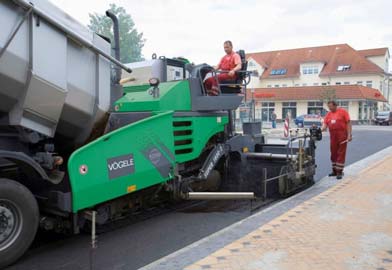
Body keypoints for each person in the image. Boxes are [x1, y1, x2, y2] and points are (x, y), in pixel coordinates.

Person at [321, 101, 352, 179]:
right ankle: (334, 171)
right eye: (329, 107)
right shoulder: (328, 114)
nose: (330, 108)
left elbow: (348, 123)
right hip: (333, 136)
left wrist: (349, 135)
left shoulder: (343, 112)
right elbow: (324, 125)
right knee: (333, 153)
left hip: (342, 136)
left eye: (331, 106)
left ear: (335, 106)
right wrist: (320, 129)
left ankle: (339, 172)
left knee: (341, 153)